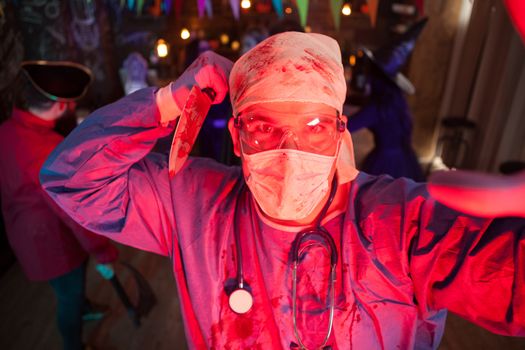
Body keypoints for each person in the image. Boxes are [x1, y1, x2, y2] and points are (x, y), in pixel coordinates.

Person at [40, 32, 524, 349]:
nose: (290, 151)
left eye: (314, 126)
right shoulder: (193, 204)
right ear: (235, 136)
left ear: (340, 134)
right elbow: (73, 177)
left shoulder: (399, 223)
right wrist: (169, 101)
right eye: (263, 127)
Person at [0, 61, 119, 350]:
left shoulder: (6, 129)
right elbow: (72, 213)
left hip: (22, 230)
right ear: (62, 105)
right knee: (68, 296)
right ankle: (73, 345)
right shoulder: (46, 150)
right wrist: (102, 251)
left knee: (69, 290)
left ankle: (84, 306)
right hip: (51, 242)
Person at [345, 19, 427, 181]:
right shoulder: (397, 101)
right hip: (406, 158)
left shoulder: (377, 108)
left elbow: (347, 126)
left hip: (385, 163)